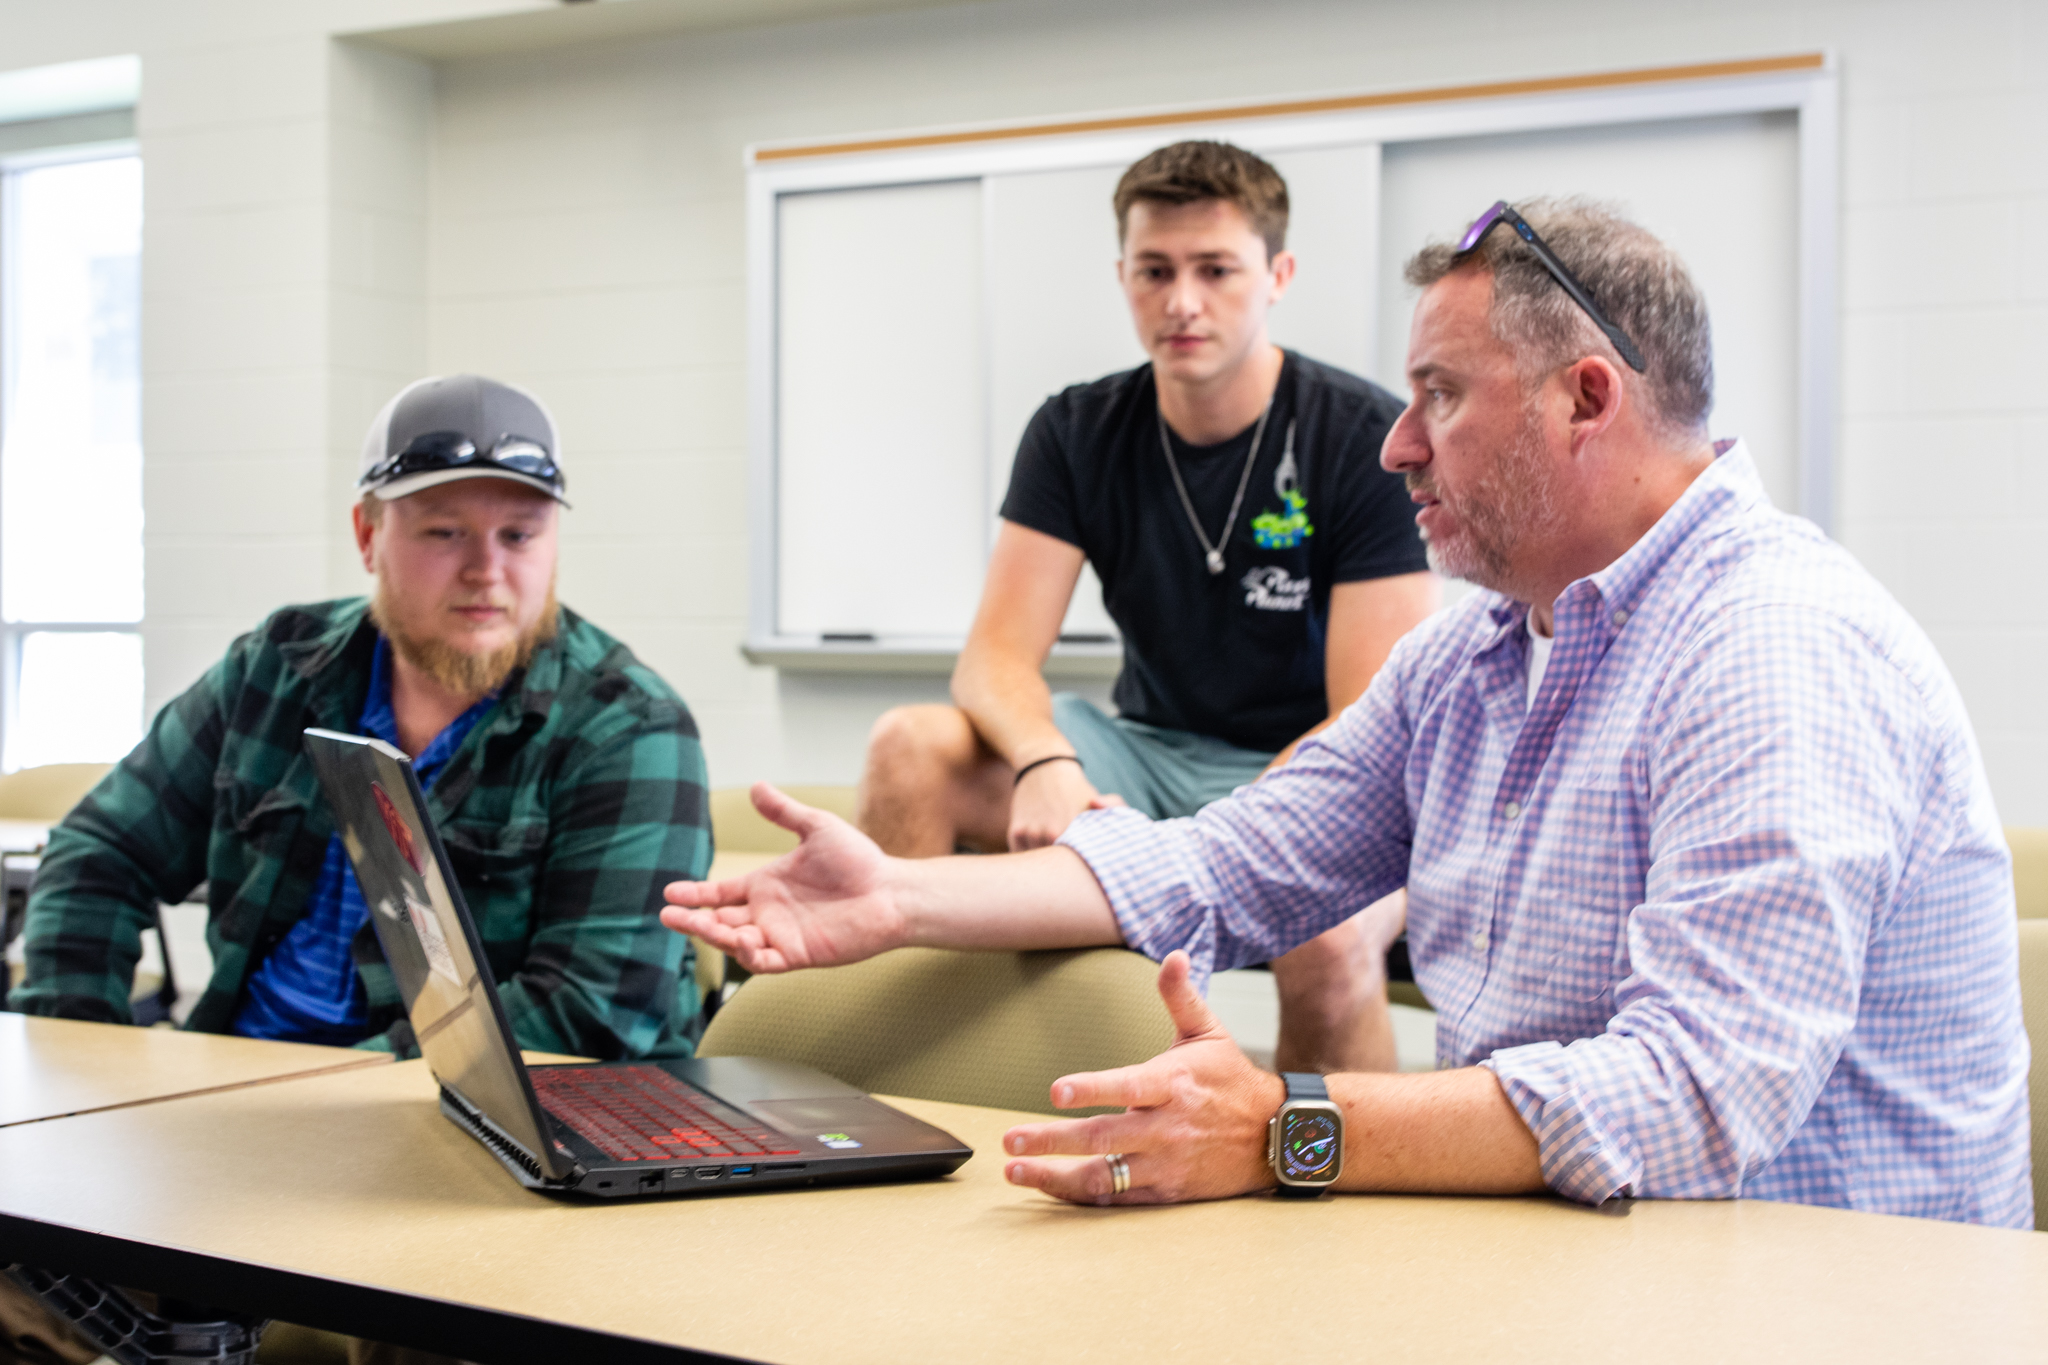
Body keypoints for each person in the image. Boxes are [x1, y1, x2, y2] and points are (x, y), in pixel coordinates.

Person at [665, 201, 2033, 1226]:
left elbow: (1692, 1100)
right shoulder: (1483, 657)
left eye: (1439, 394)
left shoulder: (1773, 651)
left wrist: (1284, 1128)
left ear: (1588, 398)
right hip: (1582, 1261)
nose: (1395, 444)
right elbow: (1227, 859)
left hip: (1820, 1299)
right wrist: (901, 897)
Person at [856, 141, 1437, 1072]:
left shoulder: (1363, 435)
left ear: (1278, 274)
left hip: (1315, 769)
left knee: (1327, 937)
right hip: (1152, 751)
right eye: (1155, 271)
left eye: (1216, 270)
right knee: (909, 746)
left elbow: (1363, 721)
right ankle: (905, 1081)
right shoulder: (1077, 429)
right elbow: (993, 660)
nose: (1182, 302)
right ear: (1122, 275)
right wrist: (1045, 758)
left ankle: (1337, 1196)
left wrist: (1232, 841)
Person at [8, 374, 711, 1061]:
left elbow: (584, 1011)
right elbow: (101, 851)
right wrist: (85, 1054)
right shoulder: (277, 666)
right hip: (236, 1085)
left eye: (520, 536)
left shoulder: (629, 728)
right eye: (444, 532)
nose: (485, 569)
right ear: (366, 534)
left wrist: (314, 1106)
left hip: (475, 1133)